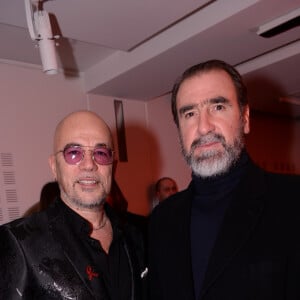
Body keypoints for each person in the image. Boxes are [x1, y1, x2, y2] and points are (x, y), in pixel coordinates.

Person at [148, 59, 300, 300]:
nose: (204, 127)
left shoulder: (292, 202)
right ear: (179, 130)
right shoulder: (162, 220)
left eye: (218, 107)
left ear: (245, 118)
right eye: (190, 113)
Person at [0, 110, 148, 299]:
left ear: (113, 166)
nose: (89, 164)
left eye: (100, 153)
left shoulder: (140, 234)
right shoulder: (17, 242)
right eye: (74, 153)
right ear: (54, 166)